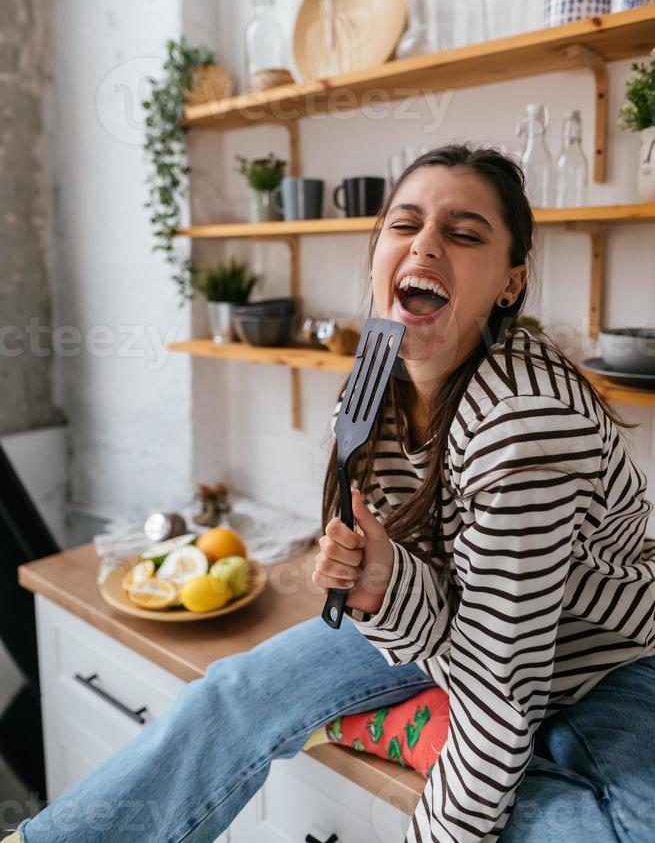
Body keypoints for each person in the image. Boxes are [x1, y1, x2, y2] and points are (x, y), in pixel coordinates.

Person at [11, 144, 655, 843]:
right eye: (404, 225)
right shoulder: (372, 384)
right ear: (377, 250)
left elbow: (502, 687)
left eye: (464, 234)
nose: (427, 244)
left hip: (599, 653)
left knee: (591, 827)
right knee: (232, 696)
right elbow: (430, 600)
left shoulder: (524, 425)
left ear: (509, 281)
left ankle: (421, 726)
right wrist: (383, 581)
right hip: (469, 634)